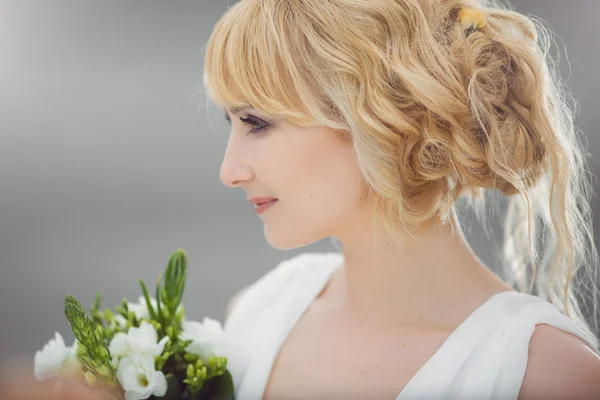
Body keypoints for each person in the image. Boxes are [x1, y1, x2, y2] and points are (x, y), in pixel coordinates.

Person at [203, 0, 600, 399]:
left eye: (256, 123)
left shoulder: (547, 374)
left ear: (373, 116)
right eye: (231, 124)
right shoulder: (257, 315)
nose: (229, 171)